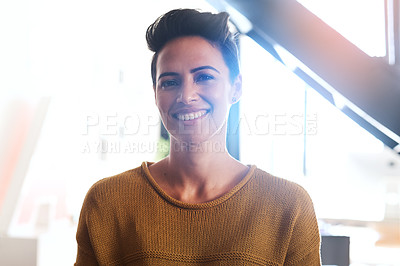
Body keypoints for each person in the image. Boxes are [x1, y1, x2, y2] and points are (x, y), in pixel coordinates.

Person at [75, 8, 321, 265]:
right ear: (155, 94)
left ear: (235, 89)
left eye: (204, 77)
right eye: (170, 82)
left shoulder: (288, 207)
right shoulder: (108, 201)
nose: (187, 96)